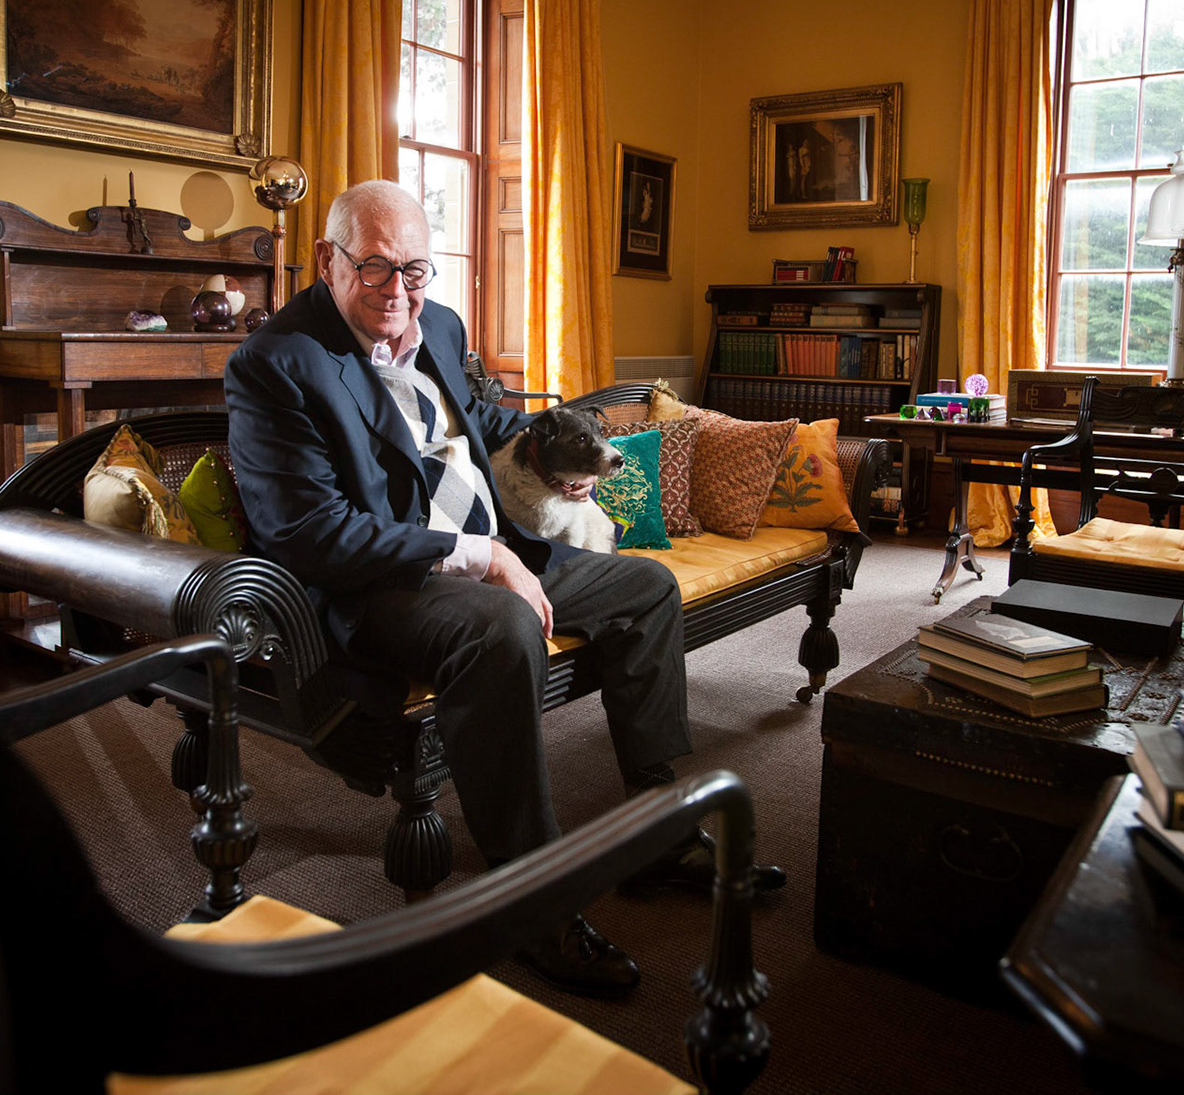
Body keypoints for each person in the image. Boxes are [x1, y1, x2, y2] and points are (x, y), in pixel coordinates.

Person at [224, 180, 785, 999]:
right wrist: (483, 557)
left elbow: (478, 424)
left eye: (415, 270)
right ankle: (530, 900)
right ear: (327, 261)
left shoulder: (440, 326)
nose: (398, 294)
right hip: (381, 584)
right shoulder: (277, 363)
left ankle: (662, 836)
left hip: (501, 550)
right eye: (375, 269)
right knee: (501, 631)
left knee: (645, 590)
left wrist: (554, 463)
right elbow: (310, 533)